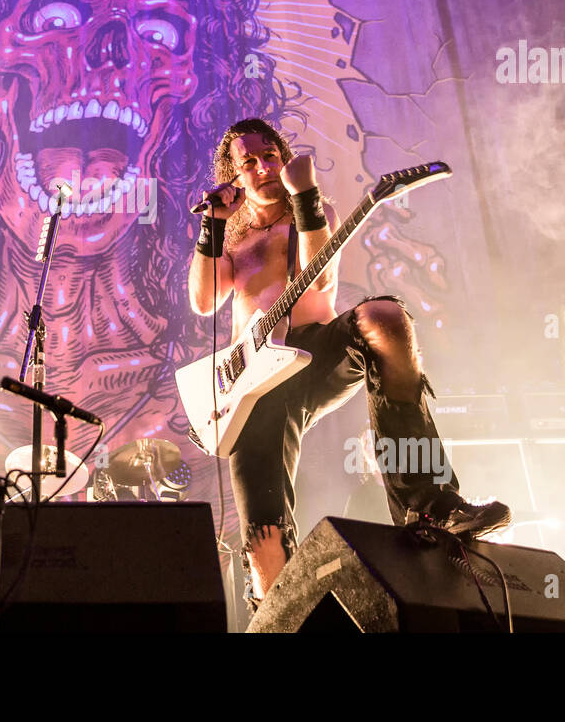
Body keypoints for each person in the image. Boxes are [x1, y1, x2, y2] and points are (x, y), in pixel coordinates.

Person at [188, 118, 510, 611]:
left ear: (285, 158)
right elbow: (205, 301)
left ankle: (427, 502)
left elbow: (316, 285)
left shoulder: (312, 209)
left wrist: (307, 195)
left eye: (269, 155)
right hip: (251, 387)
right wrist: (212, 224)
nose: (262, 167)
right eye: (247, 162)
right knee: (264, 550)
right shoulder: (233, 238)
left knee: (383, 318)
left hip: (315, 352)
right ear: (234, 176)